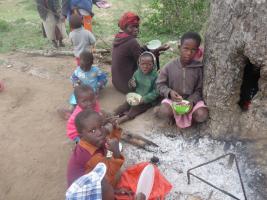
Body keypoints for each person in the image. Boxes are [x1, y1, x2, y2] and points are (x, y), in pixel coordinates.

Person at [156, 32, 208, 128]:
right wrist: (169, 92)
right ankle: (172, 116)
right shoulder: (169, 67)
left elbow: (200, 89)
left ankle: (190, 119)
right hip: (173, 100)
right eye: (186, 48)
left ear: (197, 51)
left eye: (193, 50)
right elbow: (159, 85)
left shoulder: (199, 68)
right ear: (180, 48)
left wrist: (191, 101)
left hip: (192, 101)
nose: (189, 53)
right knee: (164, 112)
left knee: (202, 115)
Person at [111, 12, 169, 94]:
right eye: (132, 27)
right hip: (128, 86)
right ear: (124, 27)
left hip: (117, 82)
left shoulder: (118, 37)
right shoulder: (132, 42)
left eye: (137, 26)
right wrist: (157, 50)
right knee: (153, 74)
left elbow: (135, 52)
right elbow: (144, 62)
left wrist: (146, 47)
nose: (136, 29)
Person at [67, 109, 124, 187]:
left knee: (113, 164)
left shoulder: (94, 140)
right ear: (81, 136)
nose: (100, 132)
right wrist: (116, 153)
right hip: (85, 192)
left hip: (96, 175)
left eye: (101, 126)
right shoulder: (89, 155)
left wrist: (114, 128)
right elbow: (109, 172)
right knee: (116, 173)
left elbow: (110, 151)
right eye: (93, 131)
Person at [113, 52, 159, 124]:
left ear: (153, 65)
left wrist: (144, 99)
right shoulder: (137, 73)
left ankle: (125, 118)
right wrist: (132, 84)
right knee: (125, 104)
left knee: (136, 108)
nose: (145, 66)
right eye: (142, 64)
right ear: (139, 64)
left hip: (148, 100)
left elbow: (156, 92)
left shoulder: (155, 76)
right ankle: (113, 114)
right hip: (136, 96)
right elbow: (132, 86)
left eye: (149, 64)